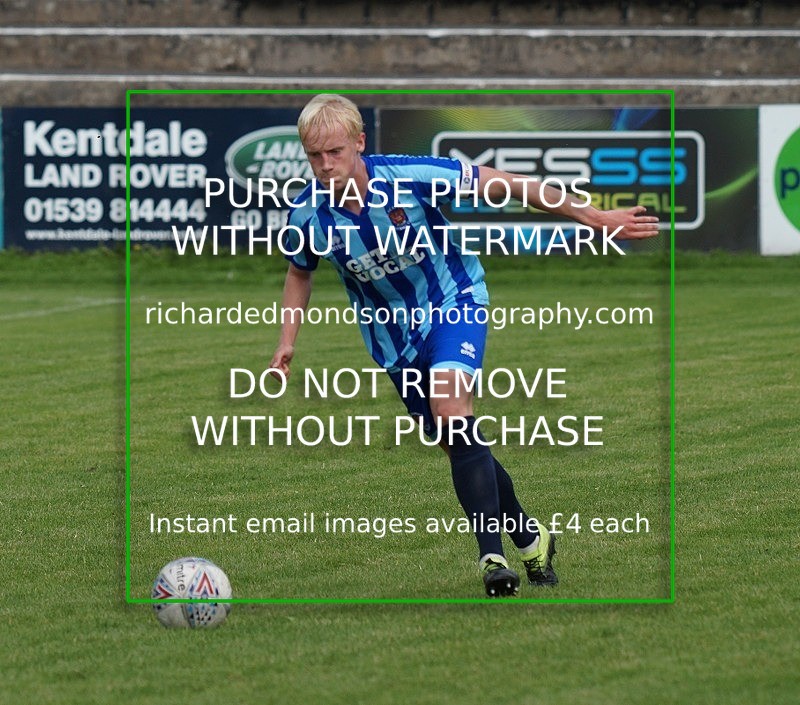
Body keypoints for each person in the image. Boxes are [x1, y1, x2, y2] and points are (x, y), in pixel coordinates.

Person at [270, 94, 659, 597]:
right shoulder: (308, 216)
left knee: (452, 410)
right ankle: (530, 535)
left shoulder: (409, 177)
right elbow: (299, 273)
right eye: (315, 156)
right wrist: (286, 343)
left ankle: (491, 555)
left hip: (455, 301)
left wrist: (594, 218)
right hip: (393, 339)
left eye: (336, 152)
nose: (326, 166)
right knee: (458, 440)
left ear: (360, 144)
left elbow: (509, 184)